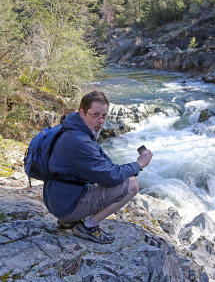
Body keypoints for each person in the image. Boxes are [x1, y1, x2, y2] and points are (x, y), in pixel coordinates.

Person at [43, 91, 152, 244]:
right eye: (95, 115)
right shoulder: (80, 141)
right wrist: (139, 164)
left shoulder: (73, 128)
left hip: (56, 198)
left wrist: (128, 168)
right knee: (131, 185)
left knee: (110, 176)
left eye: (104, 116)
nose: (100, 121)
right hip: (65, 206)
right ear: (82, 112)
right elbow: (111, 176)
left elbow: (106, 165)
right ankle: (88, 227)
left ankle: (69, 220)